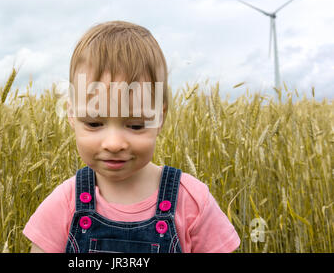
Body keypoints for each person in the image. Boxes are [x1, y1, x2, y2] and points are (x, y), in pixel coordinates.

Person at [23, 20, 240, 253]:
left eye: (136, 125)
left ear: (160, 117)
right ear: (72, 116)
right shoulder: (64, 204)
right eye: (94, 123)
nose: (114, 144)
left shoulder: (193, 203)